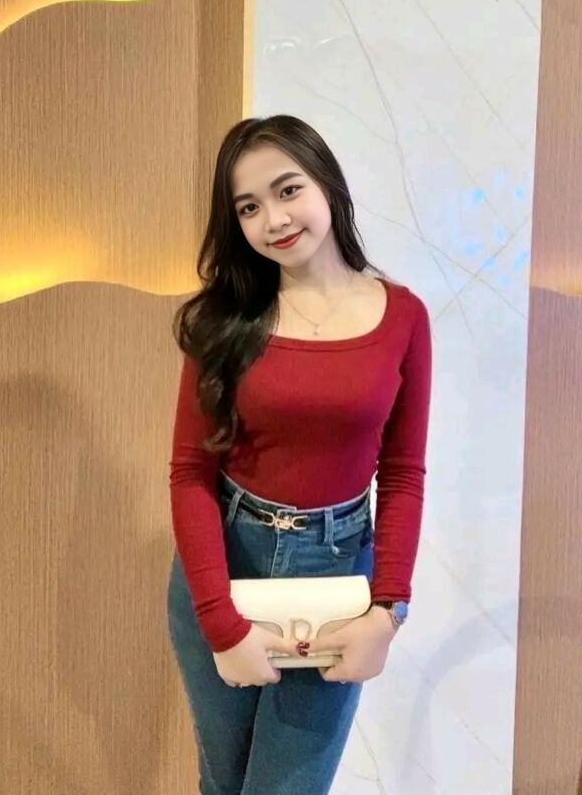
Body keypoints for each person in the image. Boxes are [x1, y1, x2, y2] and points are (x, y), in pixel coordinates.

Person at [166, 114, 433, 795]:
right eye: (248, 207)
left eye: (288, 190)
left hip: (337, 571)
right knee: (224, 783)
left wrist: (388, 610)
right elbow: (191, 472)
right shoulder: (222, 318)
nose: (274, 219)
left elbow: (403, 474)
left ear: (327, 185)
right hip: (226, 560)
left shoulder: (403, 316)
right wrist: (221, 624)